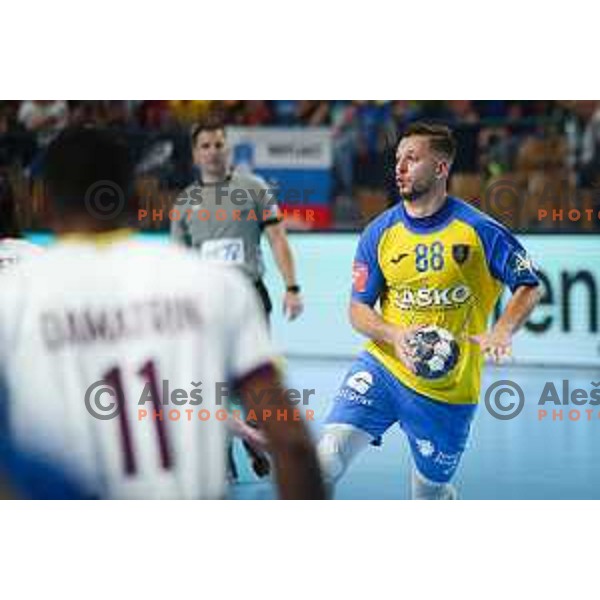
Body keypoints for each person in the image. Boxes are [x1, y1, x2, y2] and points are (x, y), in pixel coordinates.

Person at [0, 127, 325, 500]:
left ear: (42, 204)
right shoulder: (217, 287)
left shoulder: (14, 295)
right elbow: (293, 443)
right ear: (137, 198)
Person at [318, 122, 541, 500]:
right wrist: (394, 335)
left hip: (447, 391)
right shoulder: (379, 232)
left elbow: (529, 286)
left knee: (427, 494)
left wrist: (502, 330)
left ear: (441, 168)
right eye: (398, 159)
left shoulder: (479, 230)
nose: (400, 168)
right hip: (384, 368)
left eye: (412, 158)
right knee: (325, 460)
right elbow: (358, 311)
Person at [171, 119, 304, 479]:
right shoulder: (185, 203)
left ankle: (253, 433)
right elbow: (178, 262)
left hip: (249, 300)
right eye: (206, 146)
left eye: (219, 144)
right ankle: (224, 451)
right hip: (204, 305)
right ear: (195, 154)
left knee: (253, 379)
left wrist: (292, 287)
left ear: (228, 149)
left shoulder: (254, 188)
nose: (213, 152)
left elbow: (277, 239)